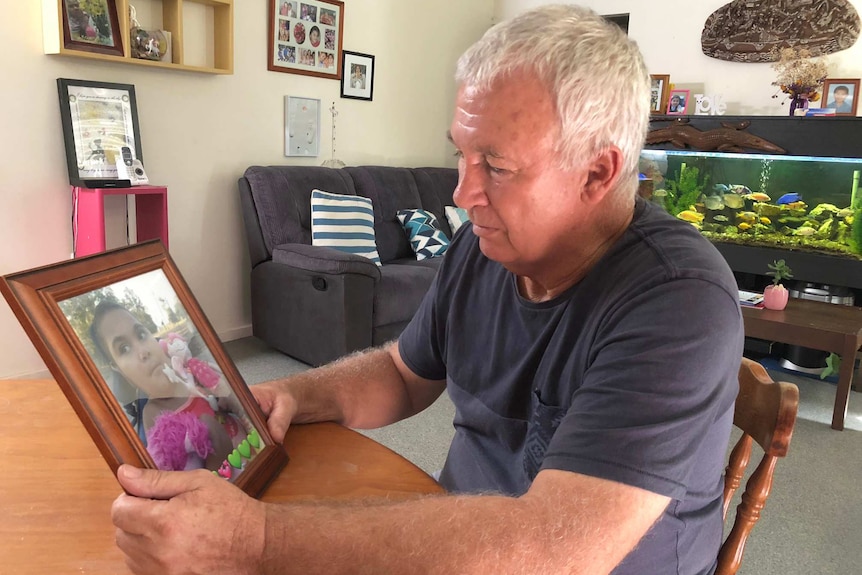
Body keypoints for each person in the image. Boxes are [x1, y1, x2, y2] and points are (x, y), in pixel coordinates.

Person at [111, 5, 743, 574]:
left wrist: (256, 541)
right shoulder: (482, 248)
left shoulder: (678, 302)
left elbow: (552, 551)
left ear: (597, 171)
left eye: (495, 166)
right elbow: (401, 373)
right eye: (462, 156)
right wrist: (288, 395)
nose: (461, 195)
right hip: (465, 534)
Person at [90, 300, 250, 474]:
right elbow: (173, 471)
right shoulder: (153, 415)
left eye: (142, 335)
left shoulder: (192, 373)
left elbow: (238, 399)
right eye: (124, 348)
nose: (143, 352)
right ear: (118, 369)